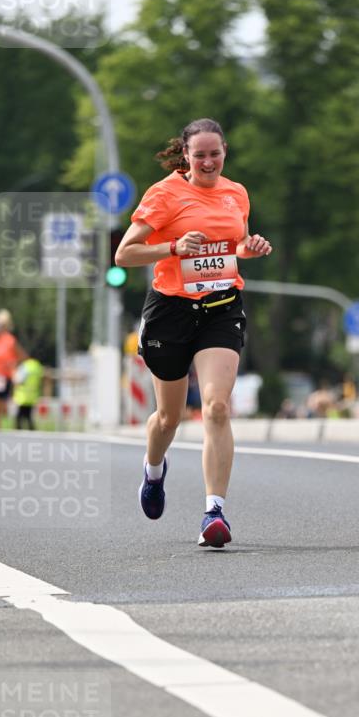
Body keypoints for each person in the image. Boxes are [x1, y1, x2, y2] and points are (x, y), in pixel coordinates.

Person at [115, 117, 272, 548]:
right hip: (171, 310)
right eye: (199, 155)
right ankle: (153, 469)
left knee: (217, 407)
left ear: (225, 152)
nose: (207, 162)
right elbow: (124, 254)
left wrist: (249, 249)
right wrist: (173, 247)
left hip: (221, 307)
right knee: (169, 417)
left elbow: (232, 247)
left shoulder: (236, 193)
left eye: (215, 153)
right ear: (185, 155)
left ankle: (213, 512)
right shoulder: (164, 194)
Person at [13, 355, 45, 429]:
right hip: (33, 394)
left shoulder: (25, 366)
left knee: (20, 415)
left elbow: (18, 380)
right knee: (29, 415)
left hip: (23, 395)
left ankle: (18, 429)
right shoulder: (38, 366)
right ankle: (31, 429)